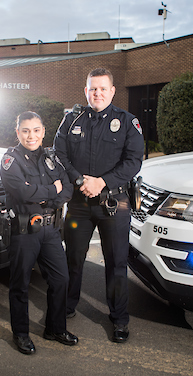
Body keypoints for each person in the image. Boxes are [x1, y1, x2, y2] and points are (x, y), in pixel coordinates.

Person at [53, 68, 144, 343]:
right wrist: (81, 181)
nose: (98, 93)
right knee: (73, 259)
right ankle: (66, 307)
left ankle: (119, 319)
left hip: (114, 204)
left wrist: (102, 182)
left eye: (103, 88)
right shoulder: (71, 120)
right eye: (93, 88)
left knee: (116, 263)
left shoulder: (127, 122)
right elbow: (59, 154)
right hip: (80, 203)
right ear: (86, 91)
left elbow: (133, 161)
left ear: (112, 91)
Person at [0, 111, 78, 355]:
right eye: (25, 130)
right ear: (18, 133)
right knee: (20, 284)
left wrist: (44, 194)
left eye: (35, 130)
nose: (31, 135)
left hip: (51, 230)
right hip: (24, 231)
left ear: (43, 132)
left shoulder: (51, 157)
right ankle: (21, 334)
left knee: (61, 279)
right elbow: (22, 194)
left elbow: (66, 189)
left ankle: (55, 328)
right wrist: (50, 190)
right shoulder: (10, 160)